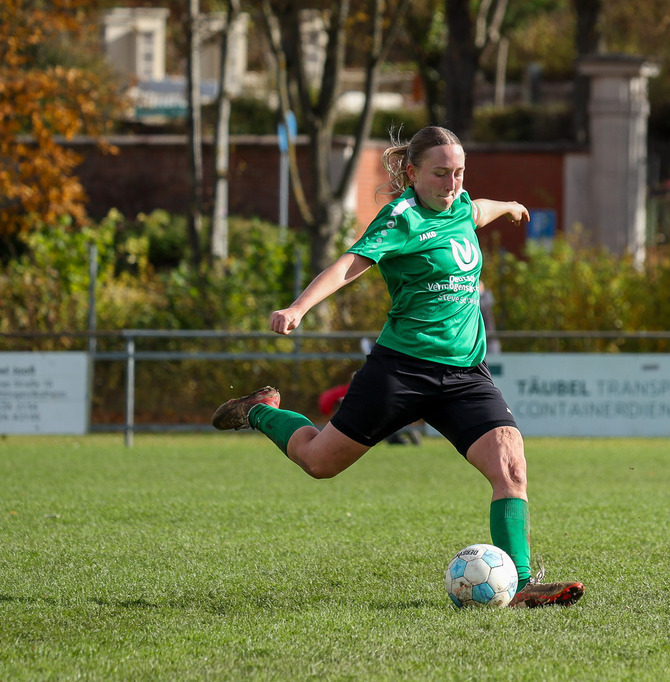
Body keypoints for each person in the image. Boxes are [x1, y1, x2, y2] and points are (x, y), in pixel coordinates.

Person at [212, 126, 584, 608]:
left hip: (464, 374)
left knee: (511, 465)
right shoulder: (401, 217)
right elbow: (349, 264)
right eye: (440, 174)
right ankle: (261, 410)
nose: (452, 183)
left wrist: (509, 206)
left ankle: (523, 584)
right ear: (412, 173)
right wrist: (299, 307)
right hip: (402, 371)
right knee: (318, 462)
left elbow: (478, 209)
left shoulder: (461, 205)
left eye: (459, 172)